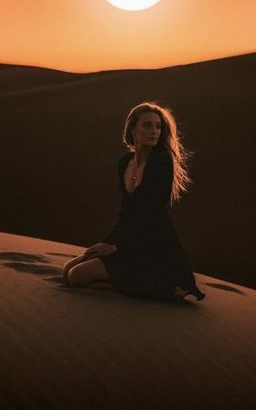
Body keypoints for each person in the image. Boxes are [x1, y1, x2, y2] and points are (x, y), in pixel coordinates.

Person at [62, 101, 206, 302]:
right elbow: (126, 213)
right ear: (132, 129)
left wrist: (116, 248)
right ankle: (134, 285)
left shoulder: (161, 162)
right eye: (147, 125)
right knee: (67, 269)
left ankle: (158, 286)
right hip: (128, 238)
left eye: (158, 126)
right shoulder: (125, 163)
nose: (154, 131)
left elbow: (151, 214)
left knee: (76, 276)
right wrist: (108, 242)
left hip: (151, 243)